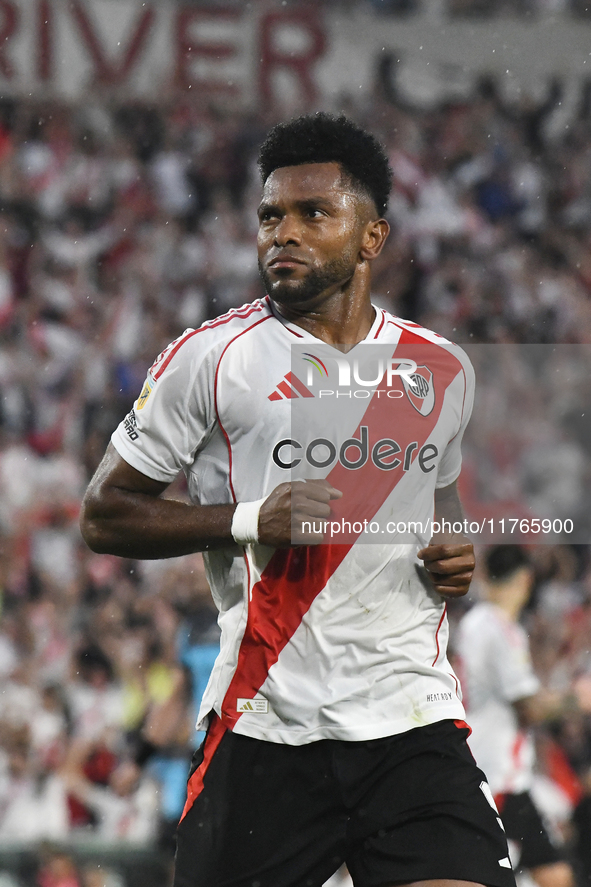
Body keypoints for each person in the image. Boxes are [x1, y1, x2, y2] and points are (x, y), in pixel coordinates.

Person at [80, 113, 513, 887]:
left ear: (371, 237)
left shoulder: (439, 368)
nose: (283, 232)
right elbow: (103, 513)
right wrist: (250, 520)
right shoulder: (208, 358)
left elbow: (438, 505)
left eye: (313, 214)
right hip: (269, 721)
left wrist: (453, 555)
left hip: (407, 722)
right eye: (270, 215)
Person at [456, 545, 574, 887]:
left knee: (553, 872)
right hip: (500, 773)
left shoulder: (473, 622)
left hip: (487, 764)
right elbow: (530, 706)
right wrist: (575, 700)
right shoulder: (503, 630)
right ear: (525, 579)